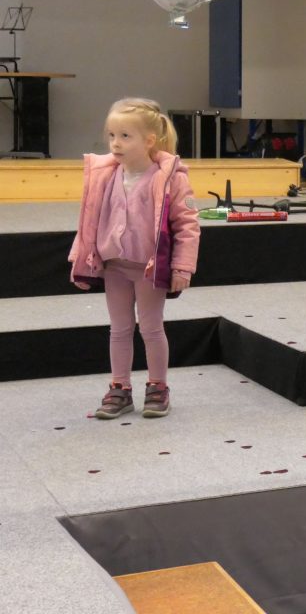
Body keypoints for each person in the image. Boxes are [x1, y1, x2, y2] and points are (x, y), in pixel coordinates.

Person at [69, 98, 201, 419]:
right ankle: (120, 388)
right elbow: (89, 220)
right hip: (114, 267)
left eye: (125, 136)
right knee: (119, 329)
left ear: (150, 140)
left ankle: (158, 386)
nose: (115, 143)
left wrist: (182, 267)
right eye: (112, 135)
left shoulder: (169, 177)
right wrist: (81, 257)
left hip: (148, 269)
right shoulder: (105, 175)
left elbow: (187, 225)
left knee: (151, 328)